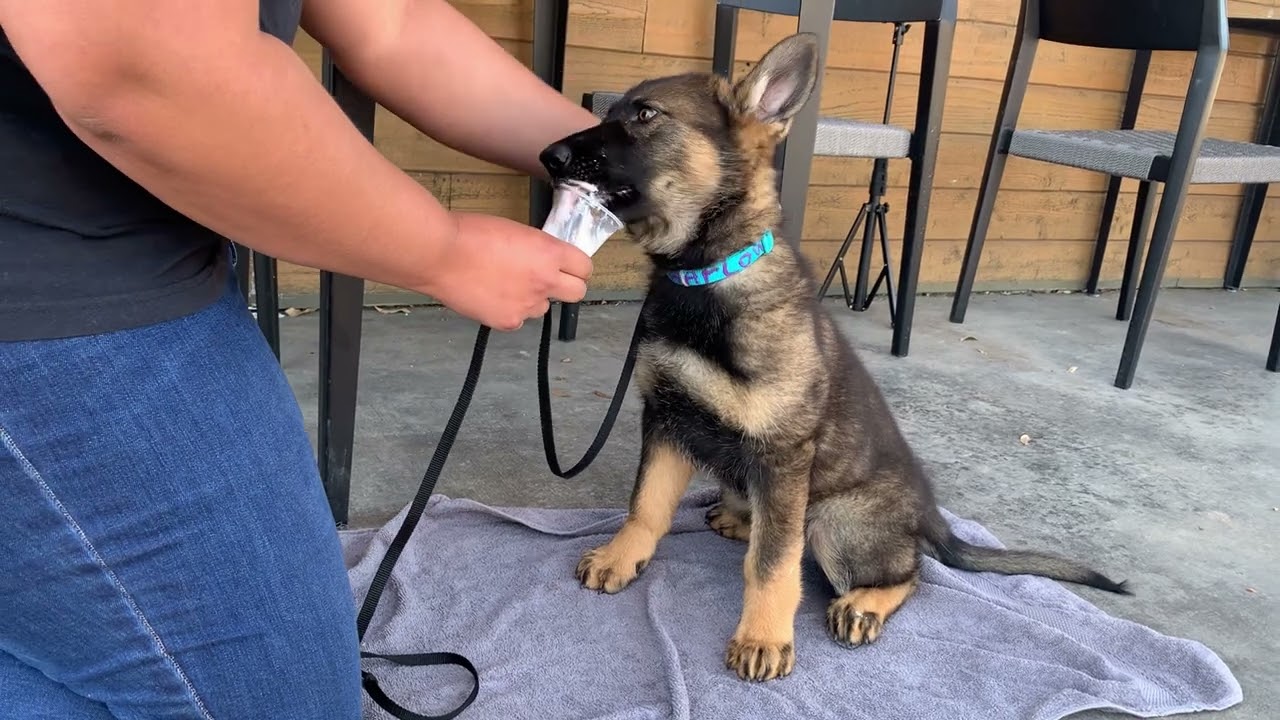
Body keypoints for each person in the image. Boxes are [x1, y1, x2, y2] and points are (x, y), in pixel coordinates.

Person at [0, 1, 599, 717]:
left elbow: (394, 23)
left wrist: (624, 154)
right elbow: (137, 64)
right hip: (42, 297)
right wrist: (442, 252)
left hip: (135, 250)